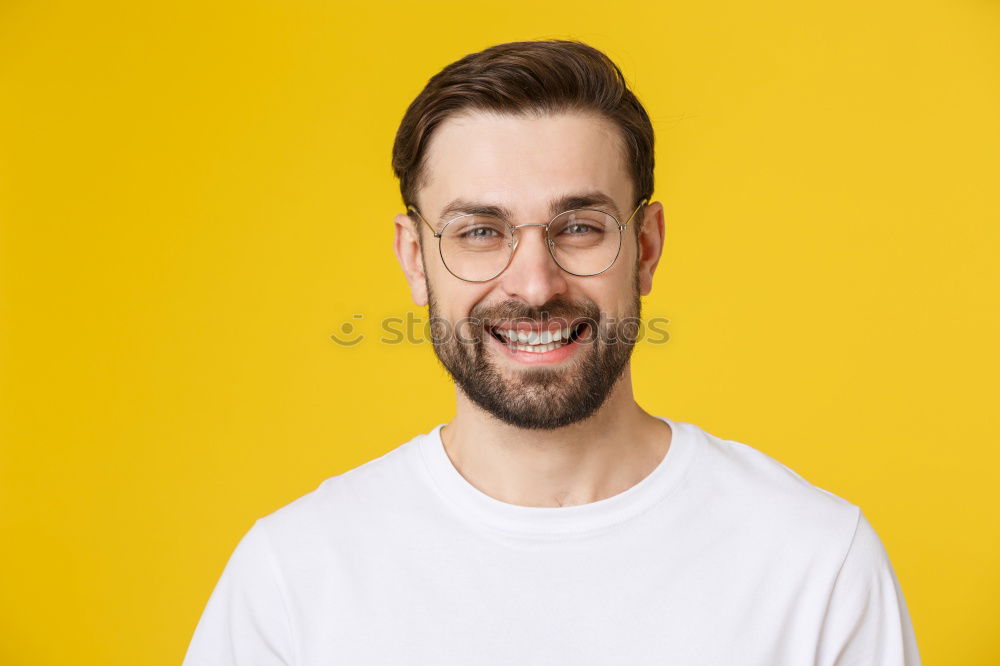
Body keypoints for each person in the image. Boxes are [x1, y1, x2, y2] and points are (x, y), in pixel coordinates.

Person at [183, 40, 921, 665]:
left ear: (648, 247)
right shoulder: (295, 575)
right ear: (415, 259)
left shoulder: (816, 563)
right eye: (479, 232)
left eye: (579, 227)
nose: (534, 285)